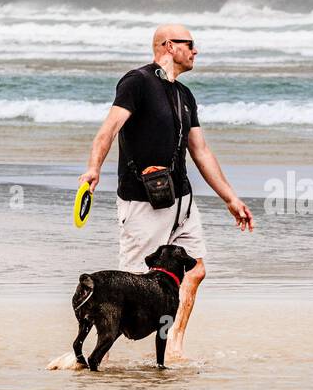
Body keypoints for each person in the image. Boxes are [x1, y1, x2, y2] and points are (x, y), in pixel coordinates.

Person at [78, 23, 253, 360]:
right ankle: (94, 356)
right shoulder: (137, 82)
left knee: (196, 270)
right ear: (169, 46)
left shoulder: (184, 95)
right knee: (134, 279)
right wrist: (93, 168)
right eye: (191, 44)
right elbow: (108, 129)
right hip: (142, 201)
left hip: (181, 200)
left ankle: (172, 345)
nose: (196, 51)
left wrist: (230, 198)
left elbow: (201, 152)